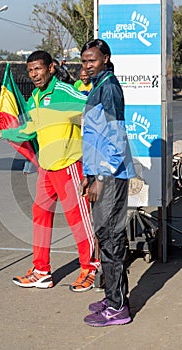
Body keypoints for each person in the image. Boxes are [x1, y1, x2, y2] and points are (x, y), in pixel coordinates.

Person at [0, 50, 99, 292]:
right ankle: (41, 271)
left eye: (38, 69)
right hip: (47, 169)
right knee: (40, 215)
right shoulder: (36, 97)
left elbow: (93, 107)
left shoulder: (64, 91)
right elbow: (29, 128)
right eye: (30, 71)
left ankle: (90, 267)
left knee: (78, 220)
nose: (34, 74)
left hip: (69, 165)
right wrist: (4, 133)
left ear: (50, 68)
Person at [79, 39, 136, 326]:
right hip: (101, 173)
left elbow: (115, 137)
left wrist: (100, 177)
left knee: (112, 239)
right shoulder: (98, 86)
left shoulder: (110, 88)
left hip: (111, 175)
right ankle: (115, 296)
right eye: (84, 61)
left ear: (105, 59)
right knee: (106, 237)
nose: (86, 66)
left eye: (92, 60)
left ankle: (117, 308)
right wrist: (89, 176)